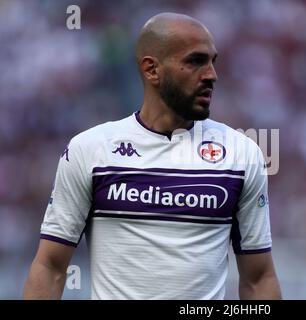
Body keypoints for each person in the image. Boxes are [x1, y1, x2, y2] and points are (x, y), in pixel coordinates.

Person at [23, 12, 281, 300]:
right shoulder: (91, 150)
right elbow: (51, 267)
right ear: (151, 70)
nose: (211, 75)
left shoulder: (241, 154)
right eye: (196, 61)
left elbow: (259, 278)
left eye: (212, 61)